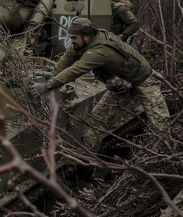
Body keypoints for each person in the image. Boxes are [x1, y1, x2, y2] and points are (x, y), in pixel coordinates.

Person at [30, 17, 169, 149]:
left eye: (74, 38)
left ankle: (168, 155)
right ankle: (88, 157)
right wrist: (55, 72)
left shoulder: (100, 50)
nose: (71, 41)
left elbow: (77, 68)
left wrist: (49, 84)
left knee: (161, 124)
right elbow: (70, 54)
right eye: (70, 37)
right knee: (97, 119)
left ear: (86, 35)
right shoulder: (90, 39)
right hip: (121, 84)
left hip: (144, 80)